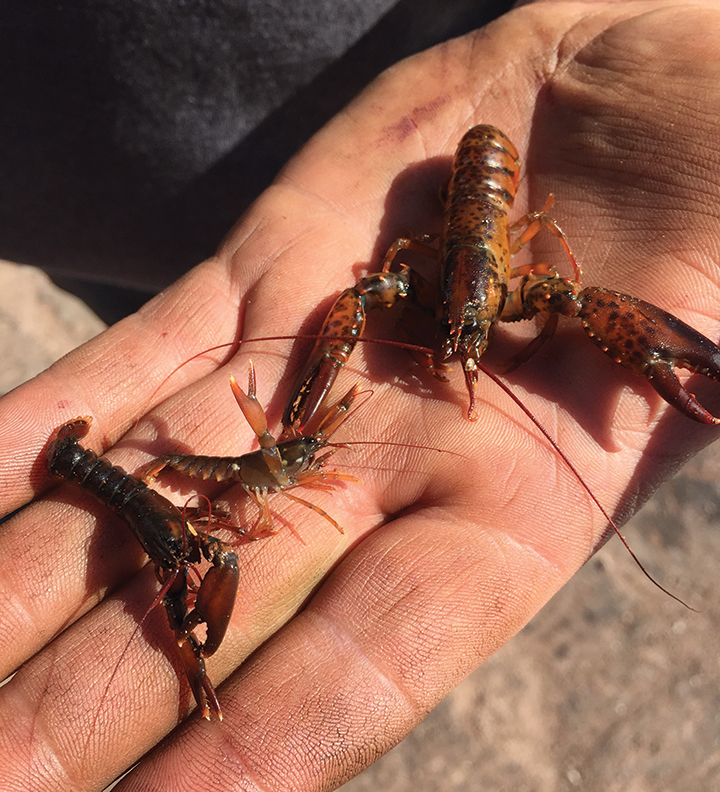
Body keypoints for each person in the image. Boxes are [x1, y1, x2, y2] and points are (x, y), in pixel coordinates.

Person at [1, 1, 719, 789]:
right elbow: (380, 283)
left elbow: (567, 291)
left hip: (328, 139)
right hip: (69, 170)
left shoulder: (521, 277)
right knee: (165, 318)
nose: (455, 353)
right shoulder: (421, 271)